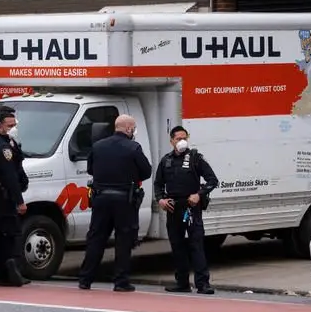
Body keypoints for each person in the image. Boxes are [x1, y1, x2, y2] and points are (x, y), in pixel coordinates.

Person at [77, 114, 153, 292]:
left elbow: (90, 169)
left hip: (100, 198)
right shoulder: (133, 147)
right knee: (123, 240)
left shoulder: (98, 146)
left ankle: (85, 279)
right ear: (128, 128)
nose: (134, 131)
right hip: (123, 200)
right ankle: (121, 281)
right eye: (133, 127)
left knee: (96, 238)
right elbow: (146, 171)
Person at [153, 125, 219, 294]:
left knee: (196, 244)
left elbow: (212, 180)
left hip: (191, 207)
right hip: (173, 207)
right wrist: (160, 199)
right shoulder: (166, 160)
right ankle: (182, 282)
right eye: (178, 139)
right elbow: (158, 184)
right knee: (177, 245)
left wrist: (199, 194)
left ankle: (202, 284)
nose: (182, 141)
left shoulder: (195, 158)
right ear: (171, 141)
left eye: (184, 138)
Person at [0, 105, 30, 287]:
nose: (13, 128)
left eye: (14, 124)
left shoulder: (9, 142)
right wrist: (19, 201)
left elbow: (18, 166)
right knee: (11, 235)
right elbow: (9, 176)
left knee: (1, 236)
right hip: (3, 196)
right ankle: (10, 271)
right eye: (9, 125)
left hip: (4, 195)